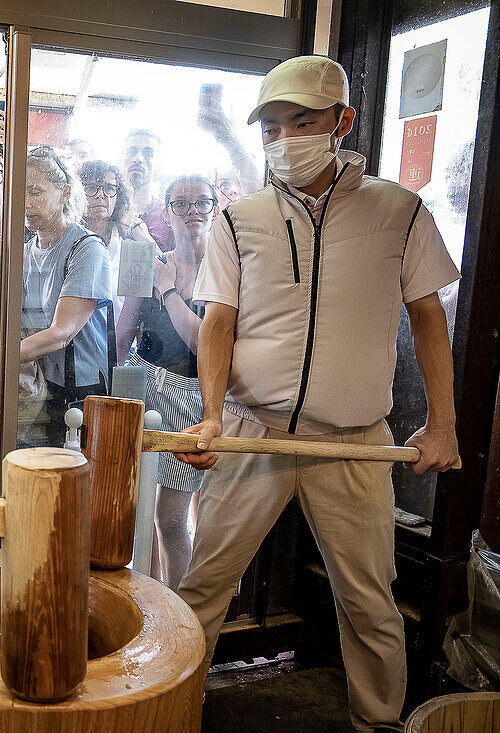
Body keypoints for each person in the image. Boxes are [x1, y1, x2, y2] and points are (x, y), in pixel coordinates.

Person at [175, 56, 461, 732]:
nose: (285, 139)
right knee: (204, 587)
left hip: (356, 442)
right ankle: (171, 710)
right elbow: (219, 322)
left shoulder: (400, 211)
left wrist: (442, 424)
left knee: (369, 600)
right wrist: (212, 415)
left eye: (302, 121)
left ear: (343, 121)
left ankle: (378, 720)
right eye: (272, 127)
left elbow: (429, 316)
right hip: (252, 431)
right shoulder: (237, 220)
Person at [119, 175, 217, 591]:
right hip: (145, 385)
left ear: (215, 208)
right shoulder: (146, 259)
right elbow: (123, 333)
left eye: (202, 202)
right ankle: (144, 595)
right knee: (132, 504)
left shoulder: (227, 270)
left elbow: (203, 341)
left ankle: (180, 607)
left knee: (172, 516)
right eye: (181, 202)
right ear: (166, 211)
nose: (192, 210)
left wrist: (170, 289)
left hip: (196, 396)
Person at [19, 146, 112, 446]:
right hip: (38, 385)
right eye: (20, 191)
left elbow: (61, 334)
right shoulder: (23, 251)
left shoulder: (87, 248)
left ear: (65, 193)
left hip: (79, 394)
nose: (26, 202)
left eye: (35, 191)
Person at [79, 158, 153, 315]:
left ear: (118, 196)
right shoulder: (69, 240)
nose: (100, 195)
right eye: (91, 188)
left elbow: (163, 274)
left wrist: (142, 235)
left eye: (109, 188)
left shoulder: (131, 242)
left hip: (122, 336)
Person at [120, 129, 170, 248]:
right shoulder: (105, 207)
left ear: (158, 167)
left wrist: (141, 234)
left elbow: (176, 265)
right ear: (119, 161)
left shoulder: (169, 213)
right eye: (132, 152)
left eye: (148, 154)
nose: (138, 159)